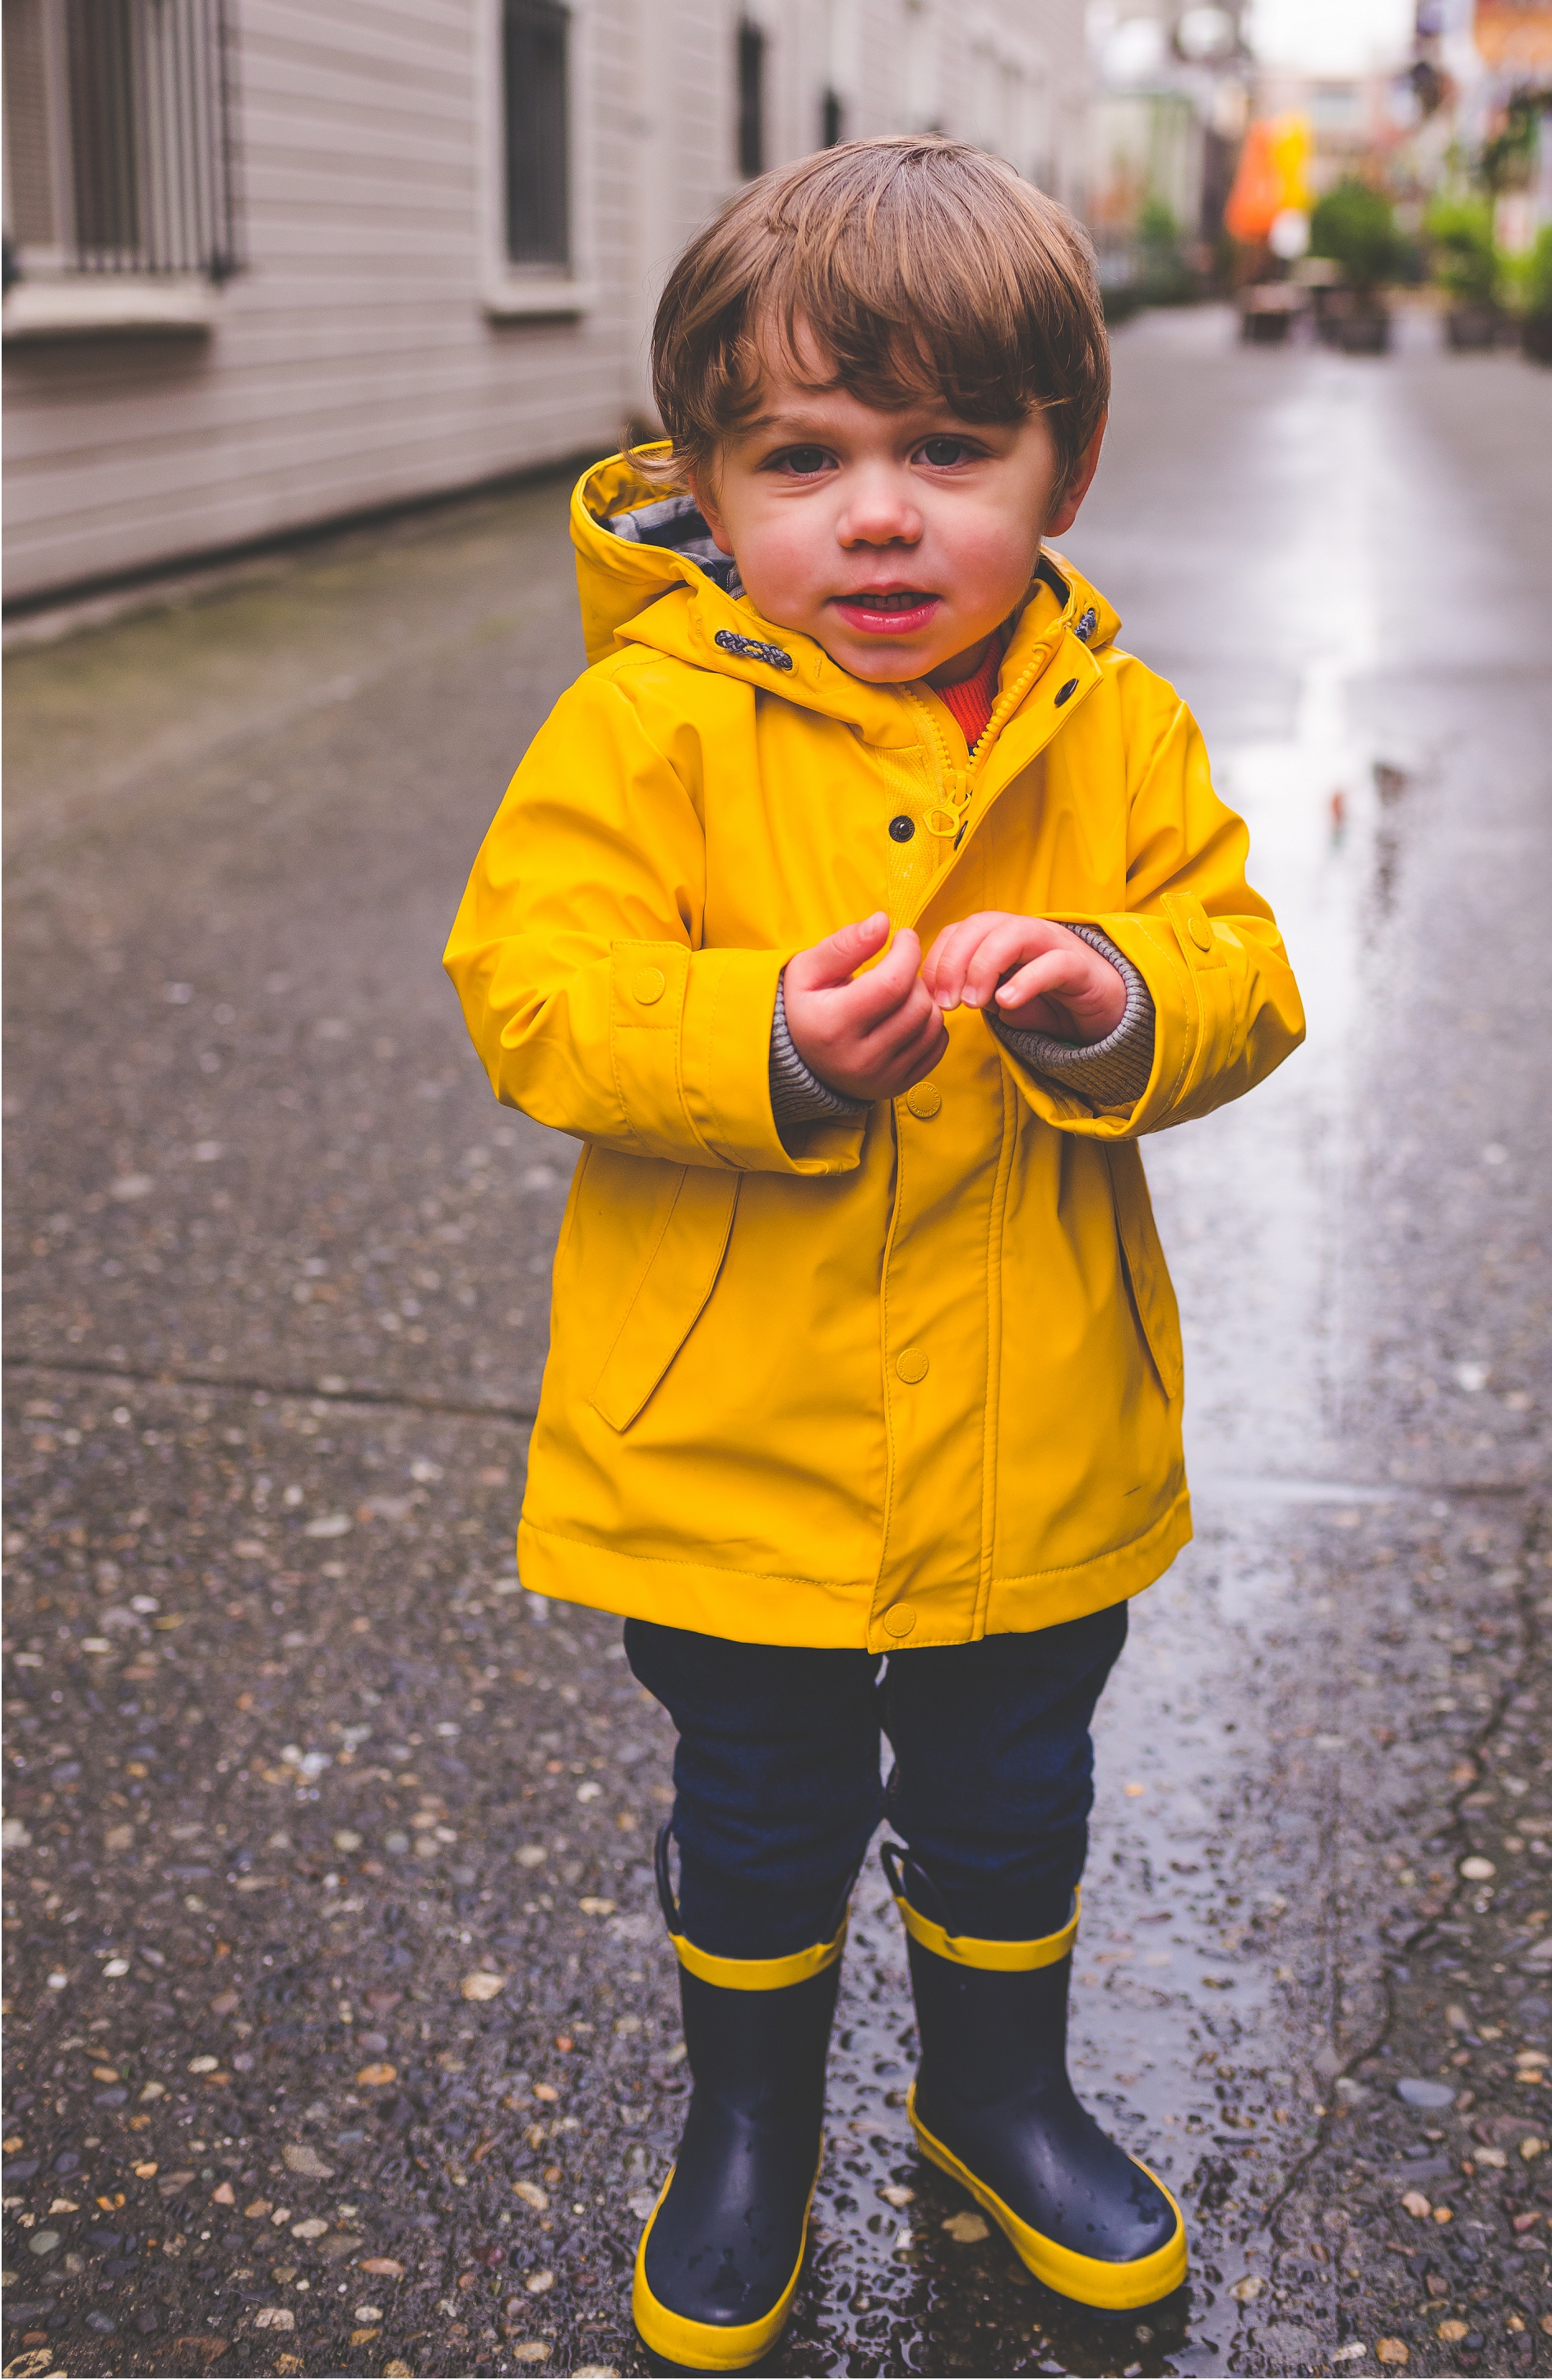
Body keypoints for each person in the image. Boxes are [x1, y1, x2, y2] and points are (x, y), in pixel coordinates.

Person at [445, 137, 1304, 2370]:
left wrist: (1117, 989)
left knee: (1015, 1788)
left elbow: (1241, 961)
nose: (882, 512)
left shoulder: (1107, 722)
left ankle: (991, 2095)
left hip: (1034, 1424)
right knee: (759, 1800)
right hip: (735, 1432)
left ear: (1064, 460)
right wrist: (754, 1035)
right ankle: (747, 2125)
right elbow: (528, 981)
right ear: (707, 486)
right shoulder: (649, 720)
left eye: (948, 447)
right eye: (802, 456)